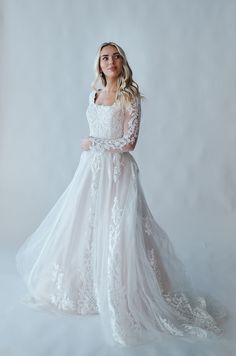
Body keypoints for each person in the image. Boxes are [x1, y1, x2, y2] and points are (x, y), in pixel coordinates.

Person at [16, 41, 227, 347]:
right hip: (91, 171)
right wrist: (92, 149)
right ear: (99, 64)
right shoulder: (94, 94)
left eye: (115, 57)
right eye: (105, 58)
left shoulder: (130, 97)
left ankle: (124, 289)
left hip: (118, 172)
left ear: (122, 62)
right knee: (85, 225)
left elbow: (129, 142)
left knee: (120, 229)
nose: (110, 61)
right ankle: (88, 284)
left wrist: (93, 143)